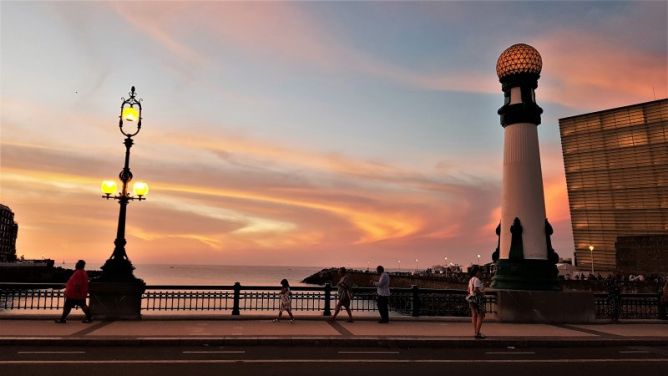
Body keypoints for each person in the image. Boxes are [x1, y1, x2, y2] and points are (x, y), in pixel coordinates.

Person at [467, 265, 486, 338]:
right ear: (476, 272)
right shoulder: (477, 280)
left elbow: (468, 290)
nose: (480, 273)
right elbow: (476, 290)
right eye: (480, 272)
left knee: (474, 315)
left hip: (471, 298)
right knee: (480, 315)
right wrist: (482, 293)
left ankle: (476, 331)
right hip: (478, 299)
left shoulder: (471, 279)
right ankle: (477, 333)